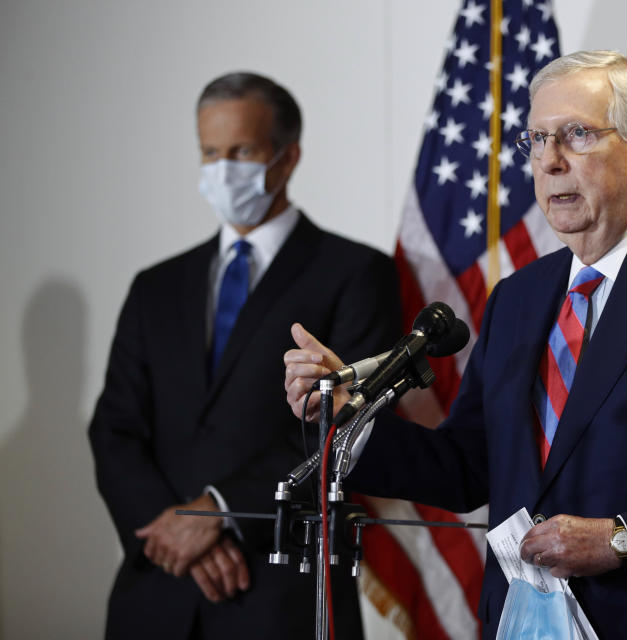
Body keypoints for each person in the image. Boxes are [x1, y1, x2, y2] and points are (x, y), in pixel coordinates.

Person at [285, 51, 627, 639]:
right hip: (522, 623)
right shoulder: (518, 297)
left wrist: (623, 540)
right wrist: (350, 420)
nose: (550, 162)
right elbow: (468, 467)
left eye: (577, 135)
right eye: (536, 140)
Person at [89, 72, 401, 639]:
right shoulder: (154, 286)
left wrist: (221, 510)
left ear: (287, 157)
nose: (221, 168)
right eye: (210, 152)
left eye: (242, 151)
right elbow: (114, 429)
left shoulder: (356, 274)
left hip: (279, 596)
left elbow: (352, 429)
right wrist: (176, 532)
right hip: (156, 594)